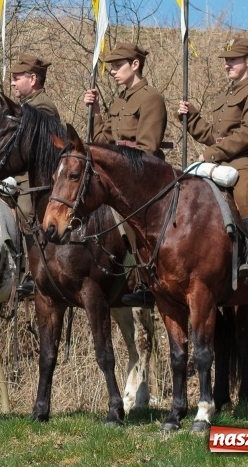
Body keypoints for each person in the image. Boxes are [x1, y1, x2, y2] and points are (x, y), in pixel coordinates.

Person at [179, 37, 248, 281]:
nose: (227, 64)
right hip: (223, 162)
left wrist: (211, 154)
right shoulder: (224, 97)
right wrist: (191, 118)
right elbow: (215, 136)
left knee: (244, 195)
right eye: (226, 60)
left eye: (233, 60)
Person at [83, 42, 168, 307]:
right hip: (119, 178)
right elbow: (101, 140)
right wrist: (96, 111)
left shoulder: (151, 98)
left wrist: (119, 152)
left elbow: (148, 148)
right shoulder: (120, 101)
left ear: (135, 65)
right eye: (111, 67)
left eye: (118, 66)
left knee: (132, 219)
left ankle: (145, 279)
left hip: (144, 178)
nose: (112, 71)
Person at [0, 52, 60, 297]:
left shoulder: (43, 106)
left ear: (33, 79)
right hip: (17, 172)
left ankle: (33, 270)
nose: (13, 83)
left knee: (26, 210)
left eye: (17, 78)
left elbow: (25, 138)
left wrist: (2, 112)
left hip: (36, 176)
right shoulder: (25, 106)